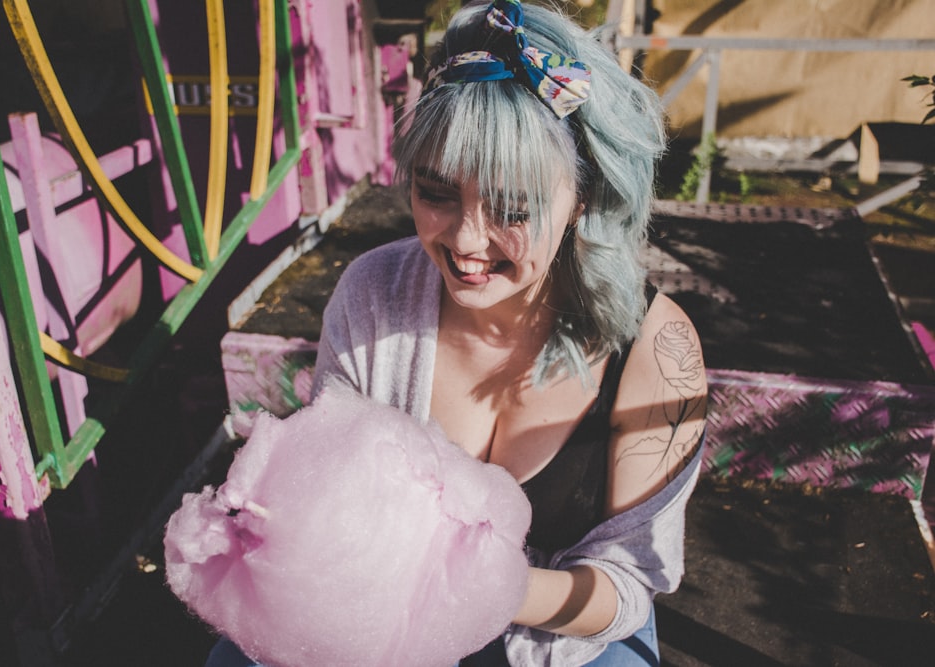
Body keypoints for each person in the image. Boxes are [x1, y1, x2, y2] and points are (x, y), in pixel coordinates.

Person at [206, 0, 707, 665]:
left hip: (568, 639)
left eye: (511, 206)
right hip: (388, 615)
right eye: (436, 192)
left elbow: (625, 588)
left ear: (583, 196)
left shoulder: (655, 351)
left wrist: (476, 587)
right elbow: (335, 503)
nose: (467, 241)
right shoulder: (372, 296)